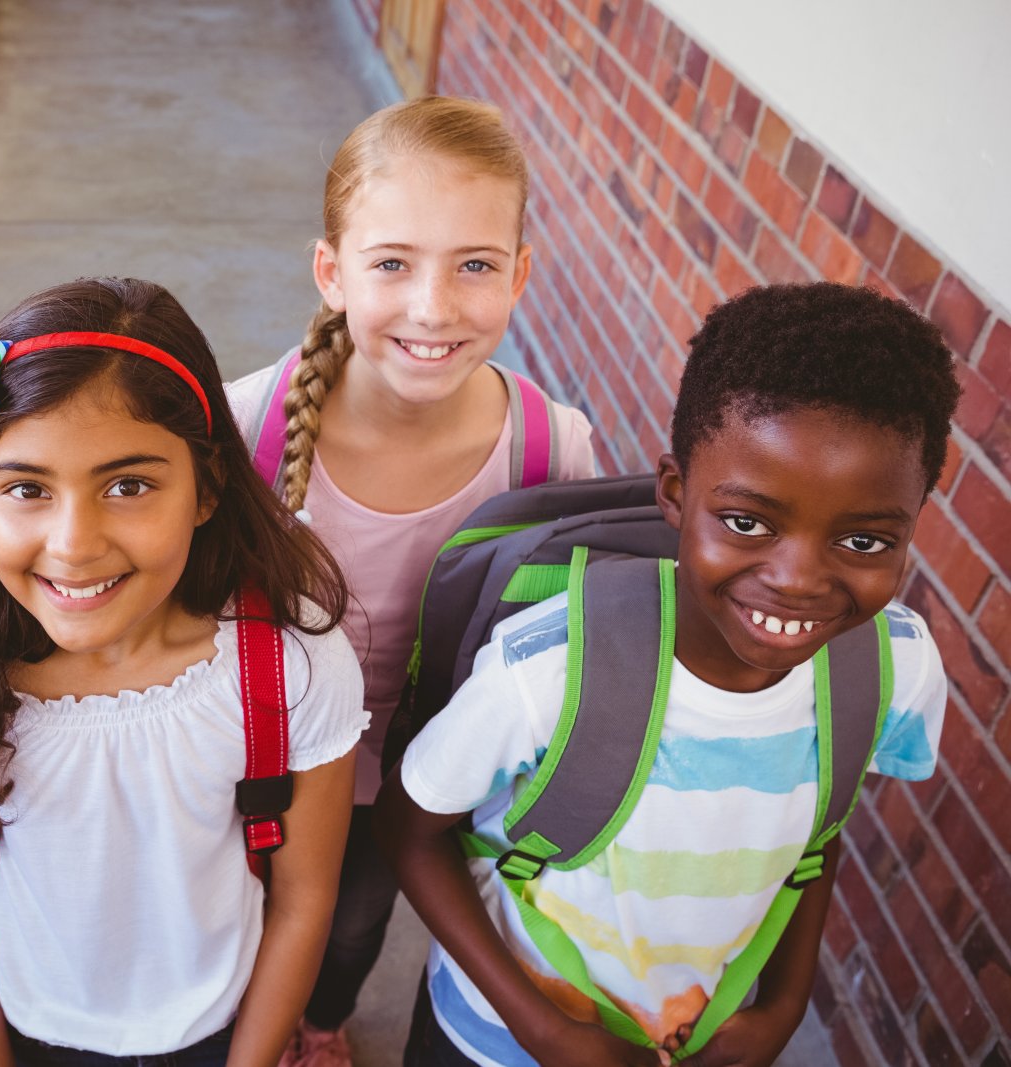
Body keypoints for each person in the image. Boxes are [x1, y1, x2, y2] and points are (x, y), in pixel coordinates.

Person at [376, 282, 959, 1067]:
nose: (796, 579)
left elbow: (814, 831)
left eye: (862, 542)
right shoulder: (551, 670)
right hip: (492, 1039)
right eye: (748, 522)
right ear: (676, 493)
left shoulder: (893, 670)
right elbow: (410, 834)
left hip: (702, 1037)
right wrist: (542, 1028)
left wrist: (782, 1007)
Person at [0, 276, 368, 1066]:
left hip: (224, 1032)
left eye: (128, 485)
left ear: (207, 488)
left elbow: (304, 900)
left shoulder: (292, 664)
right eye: (27, 488)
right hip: (23, 1030)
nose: (74, 543)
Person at [226, 96, 596, 1065]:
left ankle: (320, 1019)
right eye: (392, 262)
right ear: (331, 271)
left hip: (412, 775)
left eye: (474, 264)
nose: (433, 306)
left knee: (351, 925)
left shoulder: (551, 448)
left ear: (519, 275)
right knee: (235, 914)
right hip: (249, 756)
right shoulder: (244, 425)